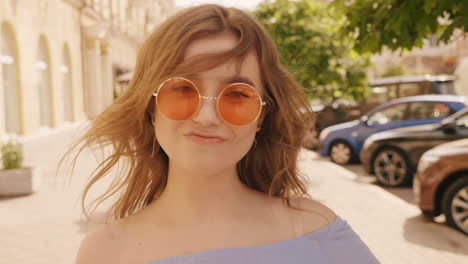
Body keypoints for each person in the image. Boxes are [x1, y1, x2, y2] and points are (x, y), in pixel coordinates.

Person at [72, 4, 379, 264]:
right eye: (181, 89)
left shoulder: (316, 230)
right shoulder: (105, 252)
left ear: (261, 117)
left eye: (237, 95)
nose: (206, 117)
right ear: (151, 108)